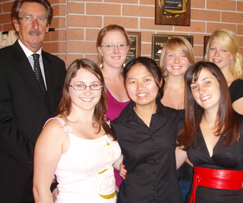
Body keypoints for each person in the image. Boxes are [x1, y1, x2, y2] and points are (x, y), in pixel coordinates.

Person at [0, 0, 66, 203]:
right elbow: (2, 124)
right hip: (14, 175)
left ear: (47, 26)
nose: (35, 25)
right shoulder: (3, 61)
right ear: (16, 23)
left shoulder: (57, 65)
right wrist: (41, 160)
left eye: (41, 19)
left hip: (53, 178)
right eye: (28, 18)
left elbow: (62, 114)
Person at [33, 59, 121, 203]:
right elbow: (40, 189)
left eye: (94, 85)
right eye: (80, 85)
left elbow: (107, 159)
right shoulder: (56, 129)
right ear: (68, 88)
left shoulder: (103, 122)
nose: (88, 92)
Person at [177, 61, 243, 203]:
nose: (201, 90)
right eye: (195, 86)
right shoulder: (189, 127)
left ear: (221, 83)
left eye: (207, 83)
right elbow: (169, 162)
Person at [112, 57, 184, 203]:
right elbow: (103, 154)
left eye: (146, 80)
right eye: (132, 81)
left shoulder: (176, 119)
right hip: (133, 198)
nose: (140, 87)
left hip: (169, 197)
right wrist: (118, 164)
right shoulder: (117, 126)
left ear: (160, 82)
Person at [159, 36, 194, 200]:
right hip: (159, 174)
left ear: (190, 60)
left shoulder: (198, 93)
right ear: (164, 59)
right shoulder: (153, 92)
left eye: (182, 55)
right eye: (171, 55)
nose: (176, 61)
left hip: (190, 174)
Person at [96, 24, 131, 190]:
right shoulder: (93, 82)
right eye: (109, 46)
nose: (116, 51)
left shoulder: (134, 80)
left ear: (127, 48)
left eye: (120, 45)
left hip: (133, 170)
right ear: (100, 50)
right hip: (105, 172)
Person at [205, 29, 243, 115]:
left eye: (224, 50)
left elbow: (242, 126)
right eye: (213, 49)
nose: (216, 54)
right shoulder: (202, 83)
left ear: (232, 56)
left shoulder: (239, 88)